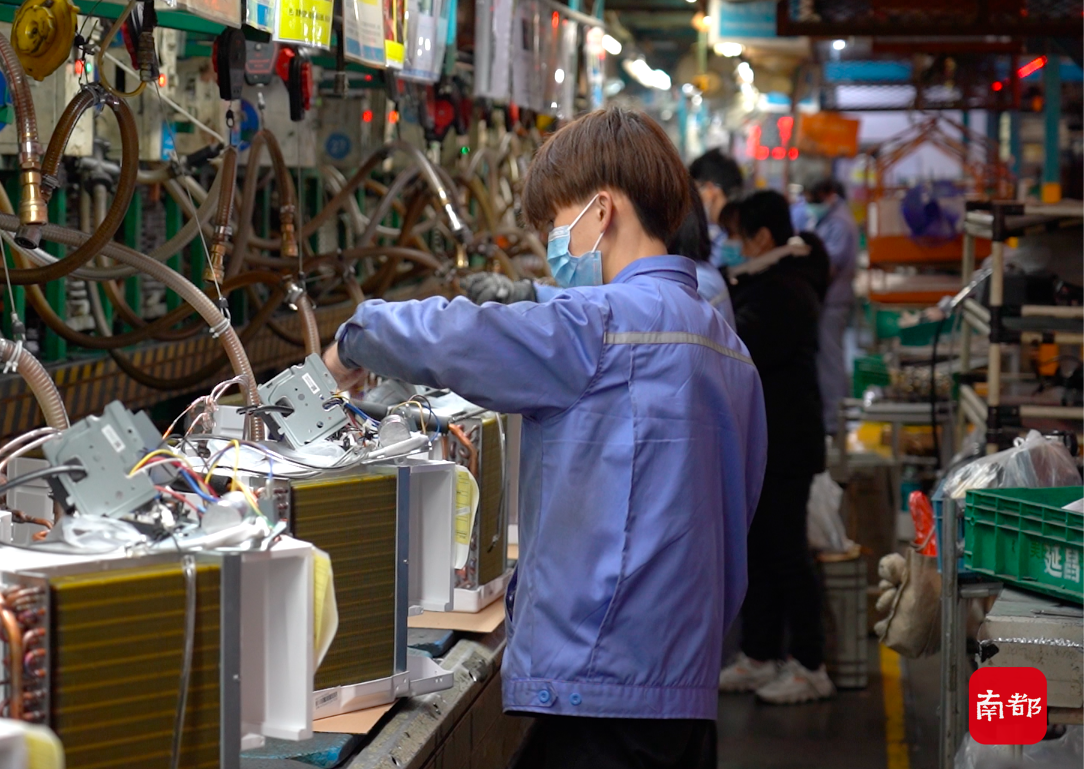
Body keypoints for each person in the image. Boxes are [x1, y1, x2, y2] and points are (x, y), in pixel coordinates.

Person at [322, 107, 768, 768]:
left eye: (560, 222)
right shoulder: (729, 350)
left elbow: (461, 335)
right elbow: (737, 515)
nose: (557, 242)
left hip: (601, 687)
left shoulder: (599, 325)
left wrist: (355, 338)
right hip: (682, 688)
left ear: (603, 211)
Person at [718, 190, 835, 705]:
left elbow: (738, 352)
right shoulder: (768, 281)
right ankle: (760, 653)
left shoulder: (783, 290)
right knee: (760, 550)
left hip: (786, 446)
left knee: (786, 552)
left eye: (734, 236)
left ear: (761, 238)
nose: (728, 246)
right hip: (768, 444)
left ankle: (811, 663)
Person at [460, 189, 736, 329]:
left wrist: (531, 295)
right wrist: (531, 293)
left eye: (557, 221)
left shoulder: (694, 290)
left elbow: (610, 317)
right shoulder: (694, 278)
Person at [806, 177, 859, 434]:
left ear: (828, 194)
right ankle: (832, 419)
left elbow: (829, 265)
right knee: (827, 360)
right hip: (827, 300)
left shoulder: (839, 222)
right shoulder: (830, 218)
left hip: (833, 301)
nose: (810, 205)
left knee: (831, 362)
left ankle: (836, 423)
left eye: (813, 200)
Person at [688, 148, 745, 267]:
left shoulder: (730, 235)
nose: (692, 200)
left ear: (710, 189)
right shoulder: (721, 231)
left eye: (695, 191)